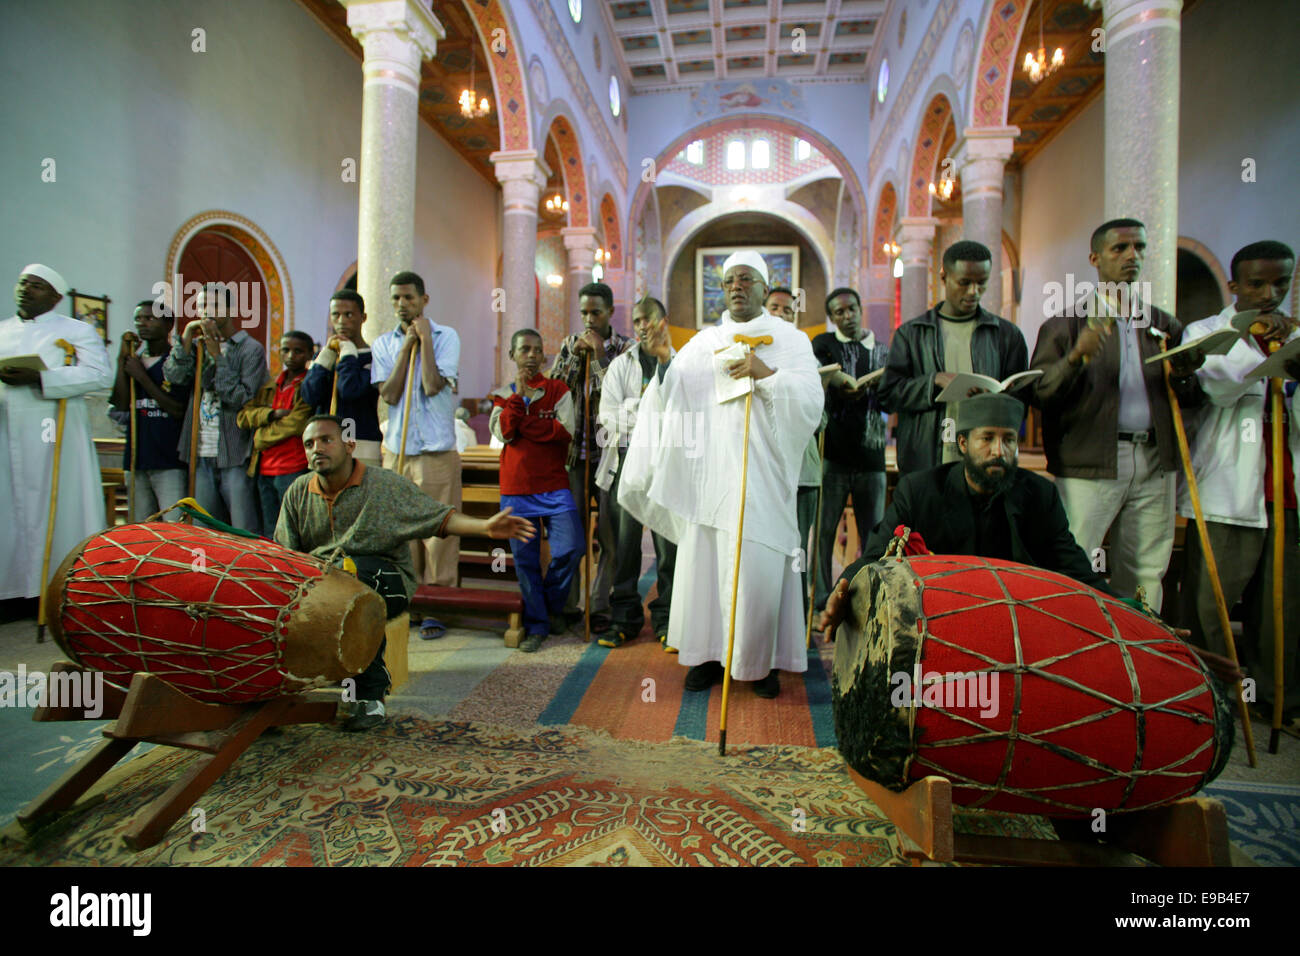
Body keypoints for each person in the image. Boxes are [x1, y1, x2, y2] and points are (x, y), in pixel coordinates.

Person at [817, 393, 1246, 691]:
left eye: (1009, 440)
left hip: (1016, 633)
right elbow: (875, 554)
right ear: (963, 443)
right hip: (937, 629)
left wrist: (1148, 626)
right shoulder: (920, 490)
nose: (999, 451)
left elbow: (1079, 574)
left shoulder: (1038, 495)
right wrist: (844, 587)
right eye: (987, 439)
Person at [619, 251, 821, 699]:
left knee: (761, 568)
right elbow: (673, 398)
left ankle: (761, 661)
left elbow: (811, 399)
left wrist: (765, 373)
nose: (736, 286)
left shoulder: (790, 340)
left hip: (763, 477)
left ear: (766, 289)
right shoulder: (704, 342)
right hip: (709, 476)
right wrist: (665, 361)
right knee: (705, 566)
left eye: (747, 279)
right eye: (729, 280)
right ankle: (709, 655)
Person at [275, 415, 534, 731]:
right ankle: (276, 692)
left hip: (386, 578)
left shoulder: (384, 486)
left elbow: (438, 518)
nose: (317, 448)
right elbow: (284, 556)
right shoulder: (298, 492)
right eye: (309, 444)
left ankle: (370, 698)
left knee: (354, 583)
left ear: (349, 444)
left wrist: (484, 527)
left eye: (327, 440)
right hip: (325, 581)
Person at [1030, 218, 1204, 611]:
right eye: (1120, 249)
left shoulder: (1162, 325)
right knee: (1073, 562)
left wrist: (1186, 374)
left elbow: (1191, 399)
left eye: (1139, 248)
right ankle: (1072, 649)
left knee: (1145, 569)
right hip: (1089, 462)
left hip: (1155, 460)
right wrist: (1075, 356)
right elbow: (1040, 393)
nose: (1132, 257)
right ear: (1095, 258)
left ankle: (1138, 655)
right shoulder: (1065, 324)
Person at [1177, 240, 1299, 735]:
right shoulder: (1208, 332)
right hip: (1229, 491)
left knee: (1285, 605)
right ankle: (1215, 696)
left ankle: (1278, 699)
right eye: (1256, 283)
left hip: (1284, 492)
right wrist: (1271, 364)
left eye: (1280, 283)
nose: (1269, 293)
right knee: (1213, 602)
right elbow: (1218, 387)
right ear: (1234, 285)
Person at [0, 264, 114, 600]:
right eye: (23, 283)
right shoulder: (2, 330)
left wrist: (40, 378)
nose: (26, 289)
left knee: (59, 504)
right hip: (7, 430)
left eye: (36, 286)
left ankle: (56, 588)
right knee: (9, 507)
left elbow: (99, 376)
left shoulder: (77, 330)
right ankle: (13, 589)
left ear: (55, 297)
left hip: (54, 432)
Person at [878, 240, 1028, 475]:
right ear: (943, 276)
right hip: (926, 457)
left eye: (982, 283)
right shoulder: (911, 334)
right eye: (964, 282)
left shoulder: (1006, 336)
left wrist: (996, 400)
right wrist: (933, 382)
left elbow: (1021, 402)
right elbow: (887, 395)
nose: (973, 291)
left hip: (986, 460)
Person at [371, 271, 463, 619]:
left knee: (438, 534)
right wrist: (406, 346)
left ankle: (438, 608)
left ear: (424, 300)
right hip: (397, 451)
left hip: (435, 452)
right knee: (403, 534)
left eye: (408, 297)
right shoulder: (383, 343)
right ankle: (409, 602)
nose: (401, 304)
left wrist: (424, 341)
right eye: (396, 298)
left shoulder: (446, 336)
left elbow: (431, 384)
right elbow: (390, 394)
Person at [490, 329, 584, 653]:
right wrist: (519, 398)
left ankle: (546, 605)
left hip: (554, 486)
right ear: (513, 356)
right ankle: (538, 625)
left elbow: (565, 432)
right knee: (526, 561)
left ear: (544, 357)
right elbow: (503, 432)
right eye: (524, 350)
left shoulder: (559, 391)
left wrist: (523, 427)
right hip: (517, 490)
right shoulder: (502, 395)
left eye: (536, 350)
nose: (531, 355)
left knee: (571, 548)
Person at [547, 281, 633, 633]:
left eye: (595, 312)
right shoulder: (570, 345)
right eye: (583, 312)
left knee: (610, 537)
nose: (588, 319)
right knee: (572, 536)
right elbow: (554, 391)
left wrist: (598, 358)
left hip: (610, 457)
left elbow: (618, 398)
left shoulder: (627, 349)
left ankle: (599, 606)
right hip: (576, 456)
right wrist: (577, 358)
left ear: (611, 311)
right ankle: (569, 605)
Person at [595, 296, 678, 649]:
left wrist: (638, 412)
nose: (642, 326)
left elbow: (683, 416)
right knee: (624, 549)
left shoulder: (679, 364)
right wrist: (648, 411)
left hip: (666, 465)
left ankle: (669, 620)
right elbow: (608, 418)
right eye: (637, 320)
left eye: (649, 319)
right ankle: (624, 618)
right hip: (626, 461)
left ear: (663, 321)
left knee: (668, 548)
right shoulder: (620, 366)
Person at [810, 286, 889, 616]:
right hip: (833, 455)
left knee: (875, 533)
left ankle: (873, 595)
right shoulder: (825, 345)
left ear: (860, 309)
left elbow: (891, 398)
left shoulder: (883, 351)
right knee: (824, 531)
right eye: (839, 312)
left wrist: (878, 385)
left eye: (851, 309)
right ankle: (819, 600)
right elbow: (816, 378)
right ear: (832, 318)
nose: (847, 316)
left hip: (872, 456)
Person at [165, 284, 268, 534]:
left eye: (213, 305)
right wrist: (186, 338)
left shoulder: (250, 349)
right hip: (199, 452)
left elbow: (240, 398)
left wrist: (218, 358)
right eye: (201, 306)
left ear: (231, 310)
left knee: (242, 528)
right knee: (203, 530)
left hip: (235, 452)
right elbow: (175, 377)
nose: (205, 311)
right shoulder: (197, 345)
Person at [765, 286, 823, 623]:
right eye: (775, 307)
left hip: (802, 469)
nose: (781, 315)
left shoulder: (807, 357)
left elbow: (821, 415)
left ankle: (797, 620)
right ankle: (767, 620)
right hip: (766, 469)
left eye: (788, 310)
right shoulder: (749, 351)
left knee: (797, 550)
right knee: (767, 549)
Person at [109, 300, 187, 522]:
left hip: (170, 460)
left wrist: (142, 376)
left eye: (149, 318)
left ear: (168, 325)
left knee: (174, 526)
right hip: (137, 458)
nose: (141, 324)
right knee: (140, 527)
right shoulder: (134, 361)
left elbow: (177, 409)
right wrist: (121, 361)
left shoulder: (176, 363)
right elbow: (121, 404)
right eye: (137, 319)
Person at [237, 331, 314, 532]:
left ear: (309, 354)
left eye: (298, 351)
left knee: (293, 527)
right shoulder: (270, 385)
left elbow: (297, 424)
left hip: (293, 467)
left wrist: (260, 436)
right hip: (264, 468)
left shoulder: (309, 386)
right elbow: (243, 417)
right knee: (270, 528)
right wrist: (271, 415)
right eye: (285, 350)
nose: (291, 356)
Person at [301, 290, 383, 468]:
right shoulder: (326, 356)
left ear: (363, 317)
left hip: (359, 442)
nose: (341, 321)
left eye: (349, 314)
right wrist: (324, 358)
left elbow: (349, 389)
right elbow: (309, 395)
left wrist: (348, 354)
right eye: (335, 315)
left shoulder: (373, 358)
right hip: (323, 446)